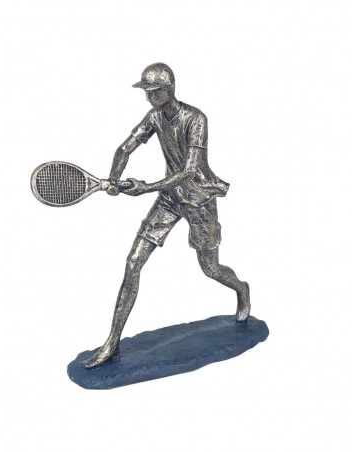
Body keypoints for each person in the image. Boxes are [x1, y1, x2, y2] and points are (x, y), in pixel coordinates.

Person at [82, 63, 250, 369]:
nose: (147, 97)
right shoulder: (154, 116)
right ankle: (112, 343)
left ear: (168, 89)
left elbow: (189, 171)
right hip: (169, 199)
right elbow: (125, 148)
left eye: (152, 92)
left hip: (199, 199)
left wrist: (146, 187)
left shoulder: (195, 118)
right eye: (145, 92)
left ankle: (242, 289)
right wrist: (113, 179)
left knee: (210, 269)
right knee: (133, 262)